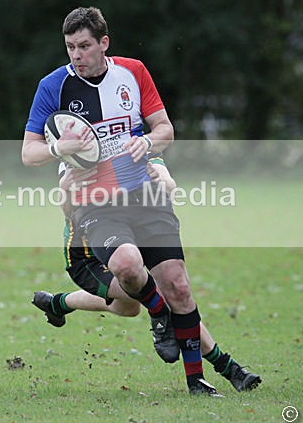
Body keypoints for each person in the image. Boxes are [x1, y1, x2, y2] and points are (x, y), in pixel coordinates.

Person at [22, 6, 221, 396]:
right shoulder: (53, 86)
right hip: (94, 201)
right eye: (69, 47)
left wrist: (148, 143)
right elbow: (28, 153)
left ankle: (197, 380)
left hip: (144, 193)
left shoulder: (133, 72)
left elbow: (165, 129)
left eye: (84, 46)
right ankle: (159, 314)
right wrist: (58, 148)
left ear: (104, 43)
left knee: (175, 286)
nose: (76, 55)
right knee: (129, 271)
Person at [32, 157, 261, 392]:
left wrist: (164, 182)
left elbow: (167, 183)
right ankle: (227, 367)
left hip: (130, 237)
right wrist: (65, 188)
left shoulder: (134, 142)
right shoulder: (83, 155)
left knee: (129, 307)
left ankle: (58, 303)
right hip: (89, 255)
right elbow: (68, 209)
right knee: (160, 296)